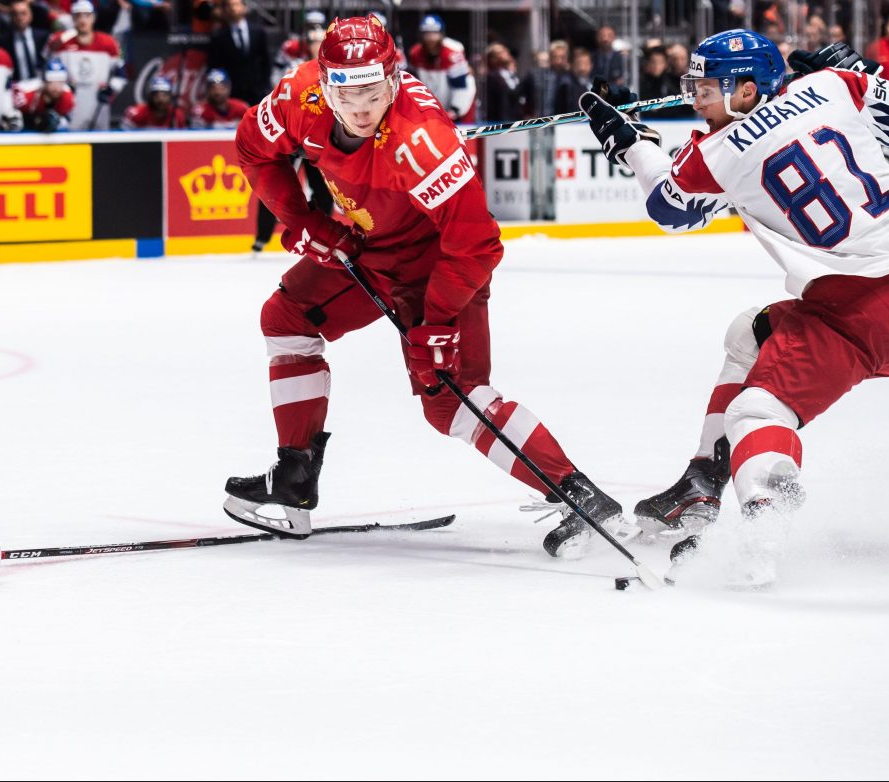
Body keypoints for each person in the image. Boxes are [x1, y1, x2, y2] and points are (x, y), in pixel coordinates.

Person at [226, 16, 623, 555]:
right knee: (286, 319)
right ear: (324, 85)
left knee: (450, 405)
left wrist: (436, 323)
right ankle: (294, 483)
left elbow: (477, 244)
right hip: (370, 245)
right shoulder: (299, 97)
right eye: (347, 92)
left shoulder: (422, 143)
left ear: (393, 77)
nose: (362, 108)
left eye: (373, 90)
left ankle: (581, 499)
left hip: (437, 265)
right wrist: (308, 223)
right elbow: (253, 150)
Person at [579, 31, 889, 585]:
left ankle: (762, 532)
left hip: (863, 311)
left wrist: (629, 141)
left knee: (757, 413)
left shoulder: (718, 155)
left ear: (748, 90)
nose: (694, 98)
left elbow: (670, 208)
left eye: (706, 88)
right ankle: (704, 479)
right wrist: (864, 74)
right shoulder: (830, 84)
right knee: (748, 334)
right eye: (692, 84)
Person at [45, 0, 127, 130]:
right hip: (70, 103)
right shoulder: (61, 42)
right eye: (78, 16)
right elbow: (46, 69)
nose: (82, 20)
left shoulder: (109, 43)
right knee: (71, 143)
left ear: (93, 18)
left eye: (87, 15)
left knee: (101, 144)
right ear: (72, 18)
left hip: (98, 104)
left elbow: (121, 74)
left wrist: (111, 89)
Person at [407, 13, 476, 122]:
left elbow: (462, 85)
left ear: (441, 34)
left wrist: (455, 110)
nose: (431, 39)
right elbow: (412, 85)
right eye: (427, 34)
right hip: (430, 111)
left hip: (456, 111)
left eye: (434, 33)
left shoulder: (452, 52)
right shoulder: (415, 54)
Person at [207, 0, 271, 105]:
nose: (233, 8)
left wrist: (265, 86)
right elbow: (214, 64)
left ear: (244, 7)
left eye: (236, 4)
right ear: (225, 10)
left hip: (256, 90)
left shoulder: (258, 31)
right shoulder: (219, 36)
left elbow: (265, 61)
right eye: (229, 6)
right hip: (232, 92)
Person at [13, 57, 74, 132]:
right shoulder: (26, 95)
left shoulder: (67, 97)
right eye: (52, 81)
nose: (57, 87)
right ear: (44, 82)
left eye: (60, 82)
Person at [0, 0, 48, 83]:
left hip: (40, 86)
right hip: (17, 87)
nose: (20, 17)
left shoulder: (43, 37)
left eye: (23, 13)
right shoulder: (3, 42)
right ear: (10, 17)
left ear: (31, 14)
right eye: (15, 14)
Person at [121, 74, 187, 128]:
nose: (161, 99)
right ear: (150, 96)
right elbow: (123, 139)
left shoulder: (177, 115)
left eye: (165, 95)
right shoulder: (136, 113)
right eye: (156, 95)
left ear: (170, 96)